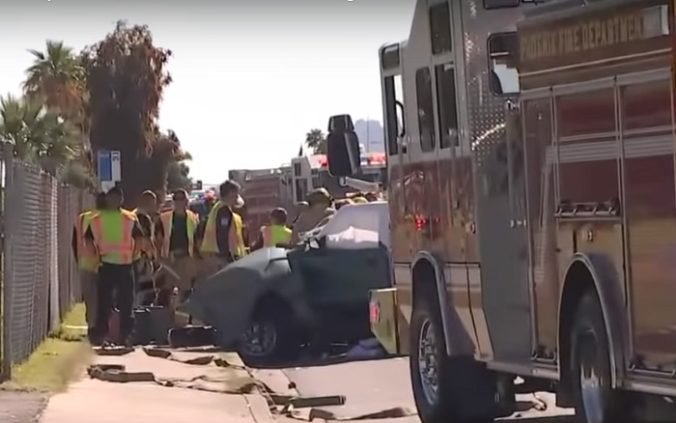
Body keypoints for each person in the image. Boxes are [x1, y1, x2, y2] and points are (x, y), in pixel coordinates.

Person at [85, 185, 145, 346]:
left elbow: (139, 239)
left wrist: (133, 256)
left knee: (126, 303)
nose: (113, 201)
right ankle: (101, 336)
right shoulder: (97, 219)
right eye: (111, 198)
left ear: (121, 200)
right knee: (104, 303)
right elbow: (89, 239)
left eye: (116, 198)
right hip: (106, 264)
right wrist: (95, 257)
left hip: (125, 265)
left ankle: (125, 336)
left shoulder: (129, 218)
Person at [155, 189, 199, 325]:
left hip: (187, 259)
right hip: (169, 259)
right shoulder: (164, 218)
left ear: (187, 201)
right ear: (173, 201)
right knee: (165, 291)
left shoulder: (193, 218)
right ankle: (162, 321)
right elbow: (158, 238)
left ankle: (183, 323)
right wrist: (160, 257)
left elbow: (196, 239)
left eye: (182, 199)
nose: (180, 202)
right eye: (177, 199)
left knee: (185, 292)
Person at [71, 193, 106, 342]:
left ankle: (92, 329)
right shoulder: (107, 219)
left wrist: (78, 259)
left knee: (90, 300)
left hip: (85, 264)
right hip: (106, 264)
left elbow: (74, 241)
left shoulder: (83, 218)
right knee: (104, 298)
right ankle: (101, 329)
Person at [198, 180, 247, 276]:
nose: (237, 197)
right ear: (230, 193)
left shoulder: (218, 207)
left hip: (215, 254)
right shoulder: (224, 210)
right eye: (235, 194)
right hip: (220, 256)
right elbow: (222, 234)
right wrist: (229, 257)